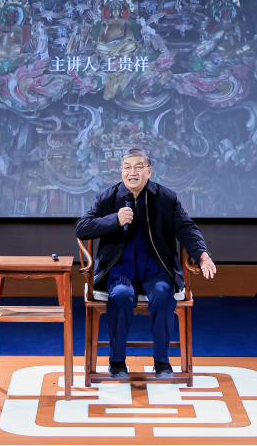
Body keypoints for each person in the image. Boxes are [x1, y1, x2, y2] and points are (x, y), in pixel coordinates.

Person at [75, 148, 216, 379]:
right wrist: (114, 220)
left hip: (156, 269)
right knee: (121, 296)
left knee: (162, 294)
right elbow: (82, 228)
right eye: (127, 167)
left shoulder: (166, 198)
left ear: (149, 171)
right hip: (119, 270)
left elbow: (186, 228)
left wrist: (202, 254)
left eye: (139, 167)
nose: (132, 172)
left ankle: (162, 362)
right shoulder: (107, 197)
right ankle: (116, 362)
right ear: (121, 171)